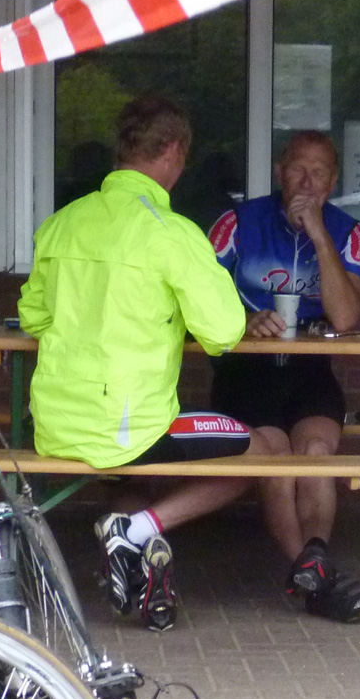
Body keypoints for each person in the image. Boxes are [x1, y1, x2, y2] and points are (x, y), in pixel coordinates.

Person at [18, 95, 274, 632]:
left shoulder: (62, 223)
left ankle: (137, 546)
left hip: (55, 423)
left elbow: (33, 317)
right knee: (263, 452)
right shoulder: (170, 232)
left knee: (128, 474)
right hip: (129, 427)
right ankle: (134, 532)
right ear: (174, 151)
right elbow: (224, 332)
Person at [207, 131, 360, 622]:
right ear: (279, 172)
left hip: (309, 370)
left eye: (319, 172)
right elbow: (198, 297)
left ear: (333, 181)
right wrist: (242, 321)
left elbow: (346, 318)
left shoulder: (347, 232)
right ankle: (317, 579)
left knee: (317, 454)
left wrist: (320, 236)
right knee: (279, 462)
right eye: (298, 169)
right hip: (245, 370)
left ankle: (314, 564)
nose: (307, 182)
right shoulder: (236, 223)